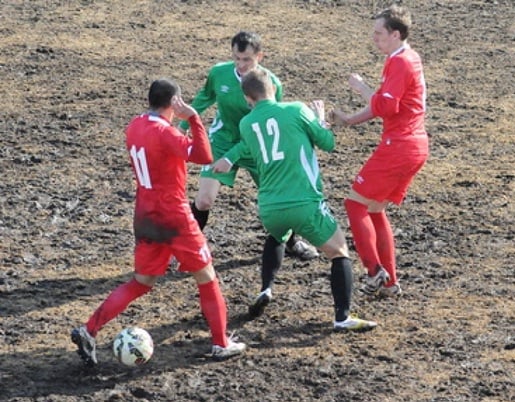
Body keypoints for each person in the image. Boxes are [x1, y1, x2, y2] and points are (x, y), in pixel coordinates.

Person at [71, 78, 246, 366]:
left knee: (142, 281)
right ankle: (220, 342)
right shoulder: (166, 133)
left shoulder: (135, 125)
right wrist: (194, 118)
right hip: (173, 214)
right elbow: (204, 155)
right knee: (206, 276)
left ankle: (89, 329)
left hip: (145, 213)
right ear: (174, 103)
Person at [212, 69, 377, 332]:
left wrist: (228, 158)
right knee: (339, 252)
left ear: (248, 99)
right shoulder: (297, 110)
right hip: (305, 202)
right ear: (274, 90)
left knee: (276, 236)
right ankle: (342, 317)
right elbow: (327, 142)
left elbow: (247, 148)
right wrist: (320, 118)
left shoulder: (246, 124)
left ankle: (266, 288)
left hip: (269, 207)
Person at [182, 30, 319, 261]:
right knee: (204, 199)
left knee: (280, 194)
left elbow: (269, 122)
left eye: (247, 59)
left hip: (256, 145)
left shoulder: (271, 84)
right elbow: (204, 98)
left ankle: (292, 241)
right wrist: (183, 125)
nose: (240, 64)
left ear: (260, 57)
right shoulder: (219, 73)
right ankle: (186, 246)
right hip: (223, 140)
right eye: (236, 58)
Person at [330, 5, 428, 298]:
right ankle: (389, 282)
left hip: (399, 146)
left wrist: (359, 93)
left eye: (379, 33)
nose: (374, 38)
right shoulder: (409, 58)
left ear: (395, 34)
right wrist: (352, 113)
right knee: (374, 209)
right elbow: (387, 105)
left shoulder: (399, 63)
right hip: (415, 145)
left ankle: (374, 272)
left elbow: (385, 107)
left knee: (354, 204)